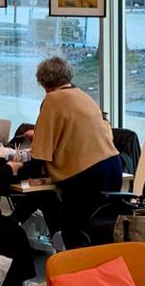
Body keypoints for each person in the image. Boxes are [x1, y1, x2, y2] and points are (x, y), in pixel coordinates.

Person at [28, 56, 122, 247]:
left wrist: (34, 174)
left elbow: (42, 143)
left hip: (86, 173)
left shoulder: (53, 99)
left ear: (43, 81)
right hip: (112, 165)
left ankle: (74, 269)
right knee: (100, 231)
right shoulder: (83, 95)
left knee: (76, 231)